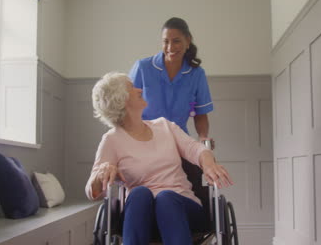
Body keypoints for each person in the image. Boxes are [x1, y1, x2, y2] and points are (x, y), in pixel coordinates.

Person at [85, 72, 233, 245]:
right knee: (140, 193)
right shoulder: (111, 140)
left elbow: (196, 149)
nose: (139, 89)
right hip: (141, 216)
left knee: (166, 198)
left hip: (183, 210)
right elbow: (92, 192)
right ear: (122, 99)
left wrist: (208, 165)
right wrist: (100, 174)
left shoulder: (164, 126)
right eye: (132, 87)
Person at [129, 17, 214, 148]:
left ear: (188, 40)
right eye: (165, 42)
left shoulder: (196, 74)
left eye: (176, 41)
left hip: (179, 142)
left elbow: (200, 113)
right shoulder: (142, 67)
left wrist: (203, 137)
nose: (170, 47)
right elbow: (127, 107)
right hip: (144, 141)